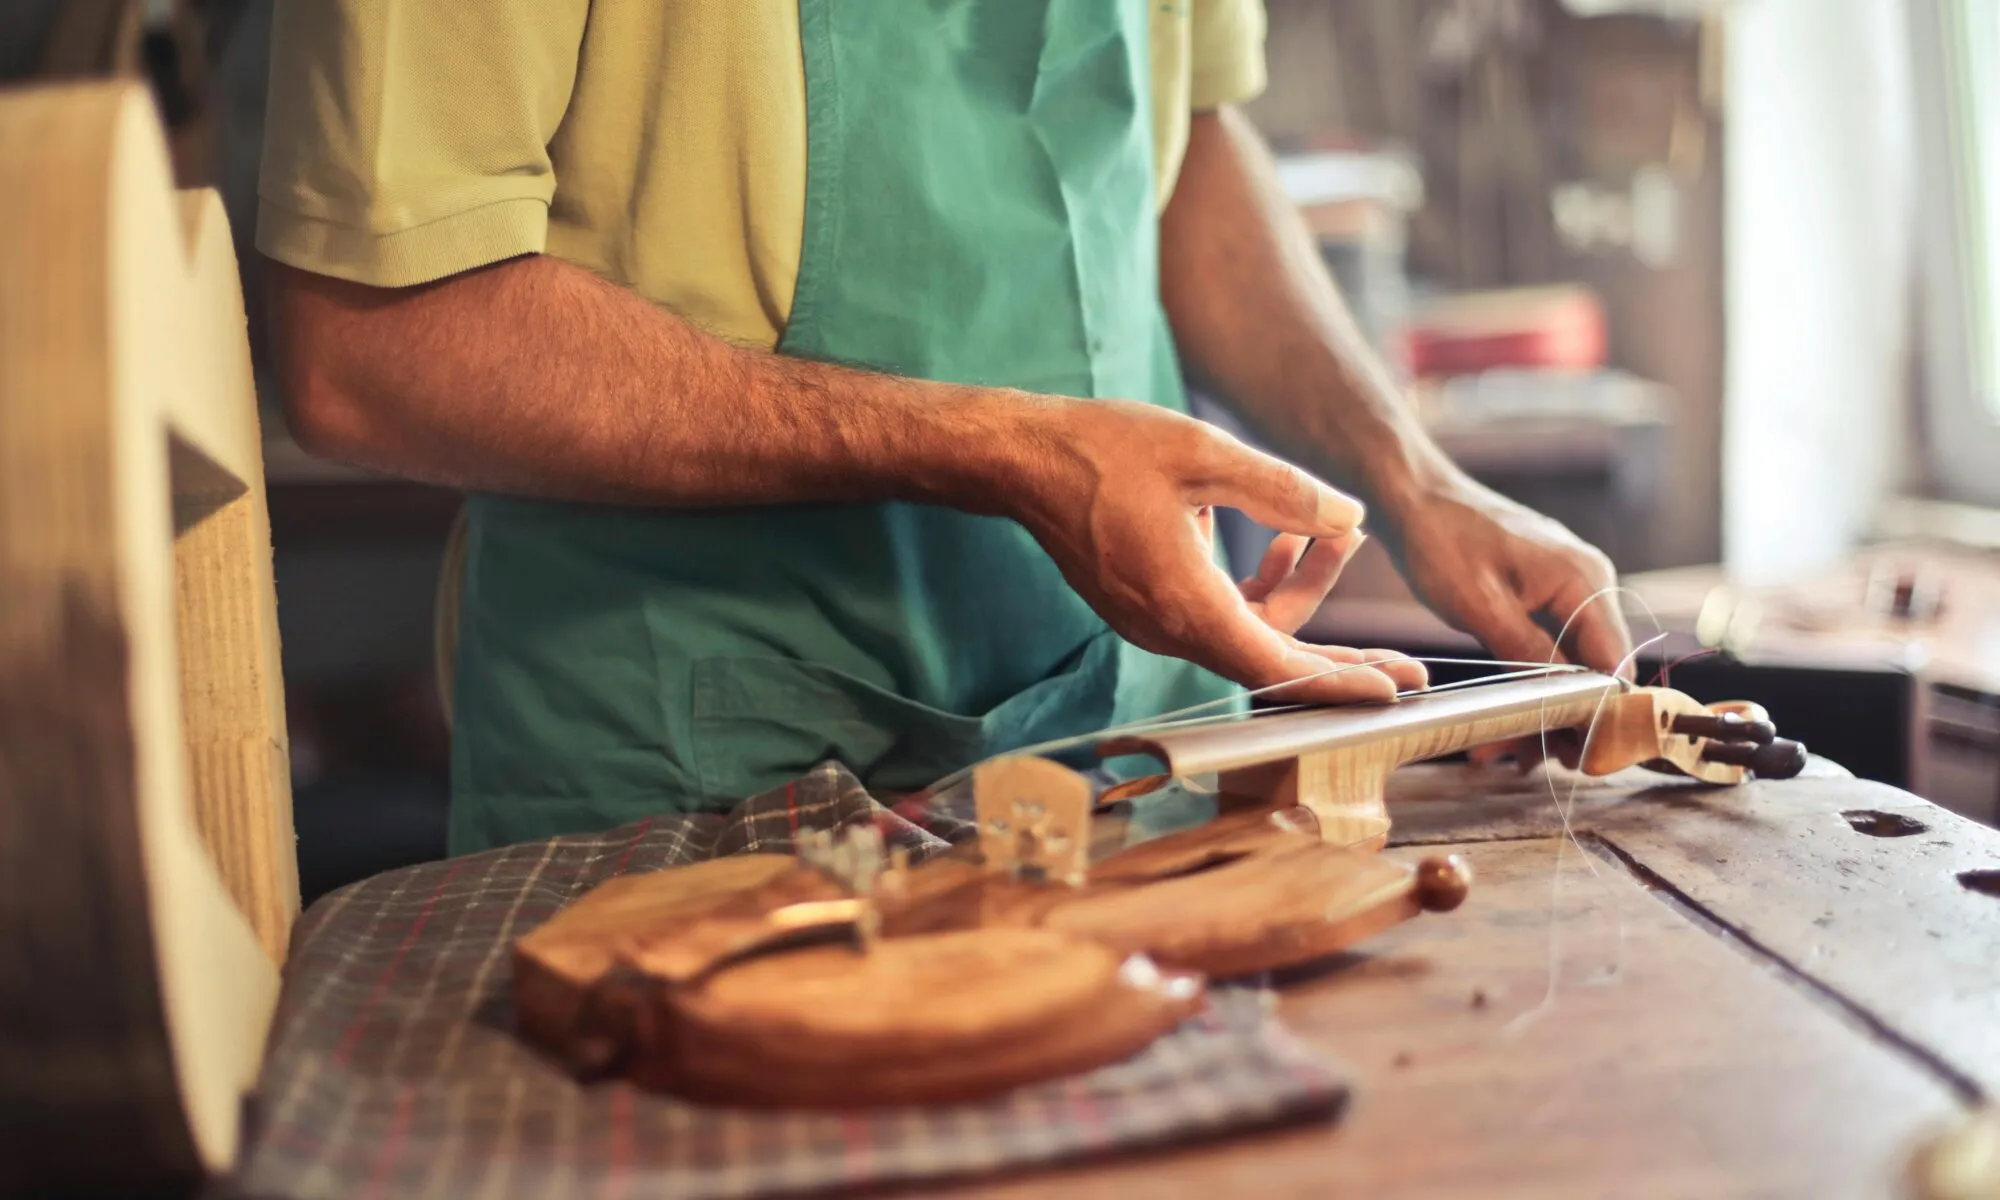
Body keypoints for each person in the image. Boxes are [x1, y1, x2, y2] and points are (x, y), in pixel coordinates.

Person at [257, 0, 1631, 855]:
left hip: (1141, 738)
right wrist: (1015, 453)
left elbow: (1186, 133)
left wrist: (1412, 476)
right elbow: (371, 343)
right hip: (700, 773)